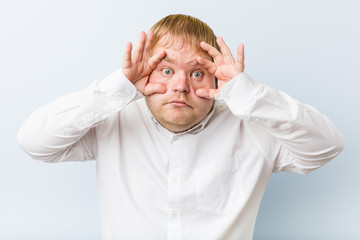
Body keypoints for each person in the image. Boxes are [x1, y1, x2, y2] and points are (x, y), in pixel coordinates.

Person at [18, 14, 344, 240]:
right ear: (144, 73)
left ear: (218, 78)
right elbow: (34, 141)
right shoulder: (111, 122)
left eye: (197, 73)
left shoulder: (254, 127)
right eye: (166, 70)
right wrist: (118, 86)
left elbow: (327, 146)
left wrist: (247, 92)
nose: (181, 87)